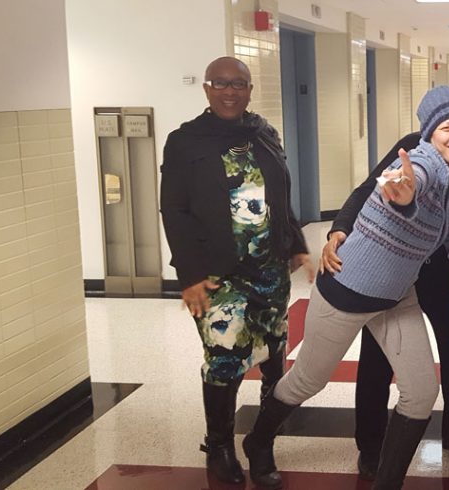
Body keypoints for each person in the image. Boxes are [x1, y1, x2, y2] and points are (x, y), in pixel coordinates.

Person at [243, 86, 449, 490]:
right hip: (347, 291)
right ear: (429, 132)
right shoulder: (419, 163)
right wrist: (402, 195)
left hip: (397, 296)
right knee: (308, 379)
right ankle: (258, 441)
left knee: (422, 392)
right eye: (448, 126)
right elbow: (404, 189)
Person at [321, 87, 449, 478]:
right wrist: (339, 229)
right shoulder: (415, 146)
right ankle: (370, 443)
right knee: (377, 357)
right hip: (393, 271)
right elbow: (370, 189)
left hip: (443, 270)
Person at [159, 56, 313, 485]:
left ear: (249, 89)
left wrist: (296, 244)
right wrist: (188, 276)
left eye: (239, 84)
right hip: (217, 273)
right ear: (207, 89)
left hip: (269, 270)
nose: (230, 92)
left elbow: (280, 196)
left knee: (272, 352)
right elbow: (174, 210)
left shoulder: (264, 133)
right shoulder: (185, 141)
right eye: (221, 84)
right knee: (224, 359)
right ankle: (220, 446)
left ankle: (263, 441)